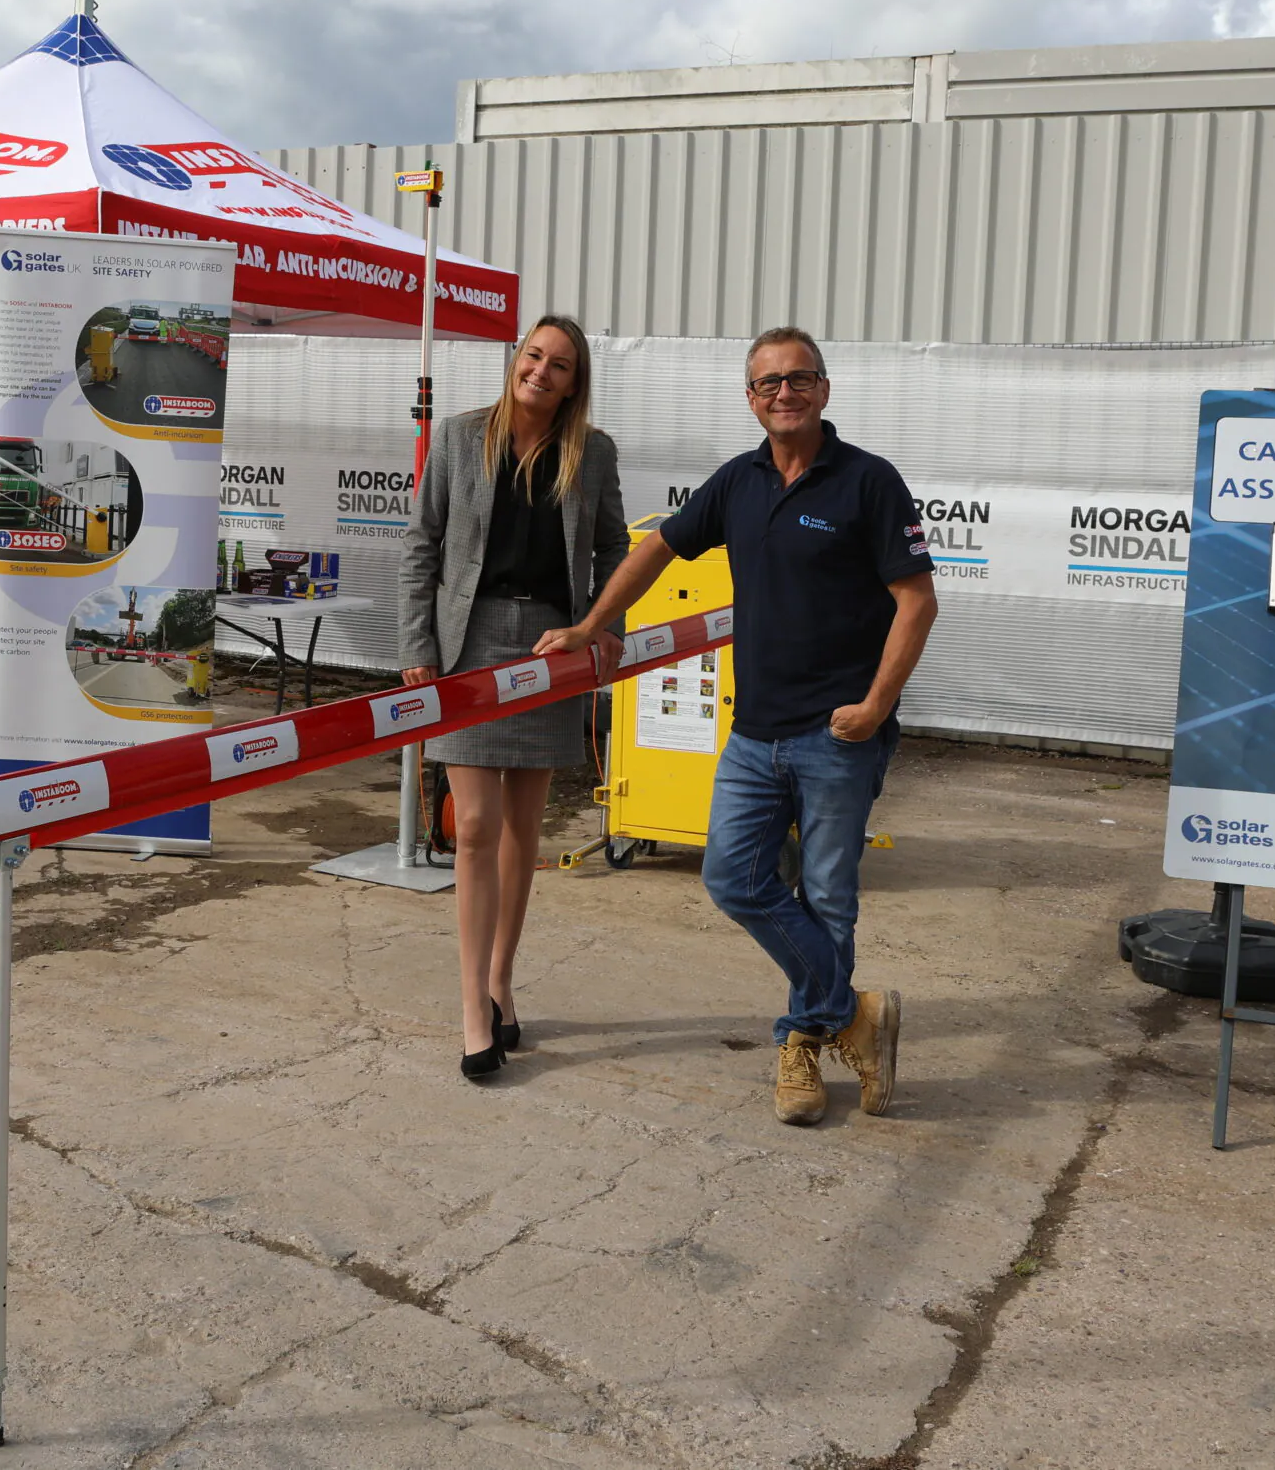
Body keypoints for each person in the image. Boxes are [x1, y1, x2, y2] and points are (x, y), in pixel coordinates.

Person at [538, 327, 936, 1125]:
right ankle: (853, 1014)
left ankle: (800, 1044)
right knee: (732, 878)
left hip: (839, 736)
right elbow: (658, 548)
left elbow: (916, 601)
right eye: (767, 385)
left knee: (827, 897)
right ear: (749, 398)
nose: (783, 395)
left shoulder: (868, 482)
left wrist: (878, 706)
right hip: (755, 735)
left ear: (824, 390)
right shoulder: (739, 481)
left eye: (798, 380)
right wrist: (593, 624)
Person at [399, 315, 627, 1082]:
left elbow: (615, 548)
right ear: (516, 361)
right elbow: (420, 545)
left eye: (559, 364)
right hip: (468, 644)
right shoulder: (462, 438)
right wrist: (417, 649)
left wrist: (601, 627)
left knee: (524, 831)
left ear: (574, 382)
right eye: (533, 356)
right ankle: (471, 1009)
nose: (541, 371)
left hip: (550, 644)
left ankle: (501, 980)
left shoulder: (592, 454)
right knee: (474, 825)